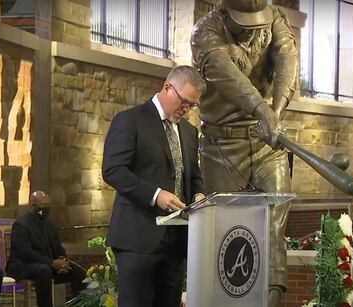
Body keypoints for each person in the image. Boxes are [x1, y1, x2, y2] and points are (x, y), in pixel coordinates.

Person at [190, 0, 298, 305]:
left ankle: (273, 299)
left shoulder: (274, 17)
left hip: (267, 144)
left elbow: (287, 59)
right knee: (226, 231)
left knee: (276, 221)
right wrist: (263, 111)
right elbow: (229, 78)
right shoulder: (206, 30)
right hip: (222, 148)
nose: (253, 30)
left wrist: (275, 113)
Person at [102, 65, 206, 307]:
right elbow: (113, 170)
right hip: (137, 240)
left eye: (192, 105)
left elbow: (193, 177)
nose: (187, 110)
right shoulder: (130, 120)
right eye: (184, 102)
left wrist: (199, 194)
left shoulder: (189, 132)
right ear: (168, 88)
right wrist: (155, 195)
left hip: (176, 243)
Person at [6, 191, 85, 307]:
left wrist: (64, 262)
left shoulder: (49, 224)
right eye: (43, 205)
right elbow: (25, 253)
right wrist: (52, 263)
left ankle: (79, 304)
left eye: (48, 205)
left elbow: (58, 247)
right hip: (22, 265)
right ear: (32, 205)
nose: (46, 208)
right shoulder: (21, 225)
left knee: (77, 271)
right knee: (44, 271)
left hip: (47, 265)